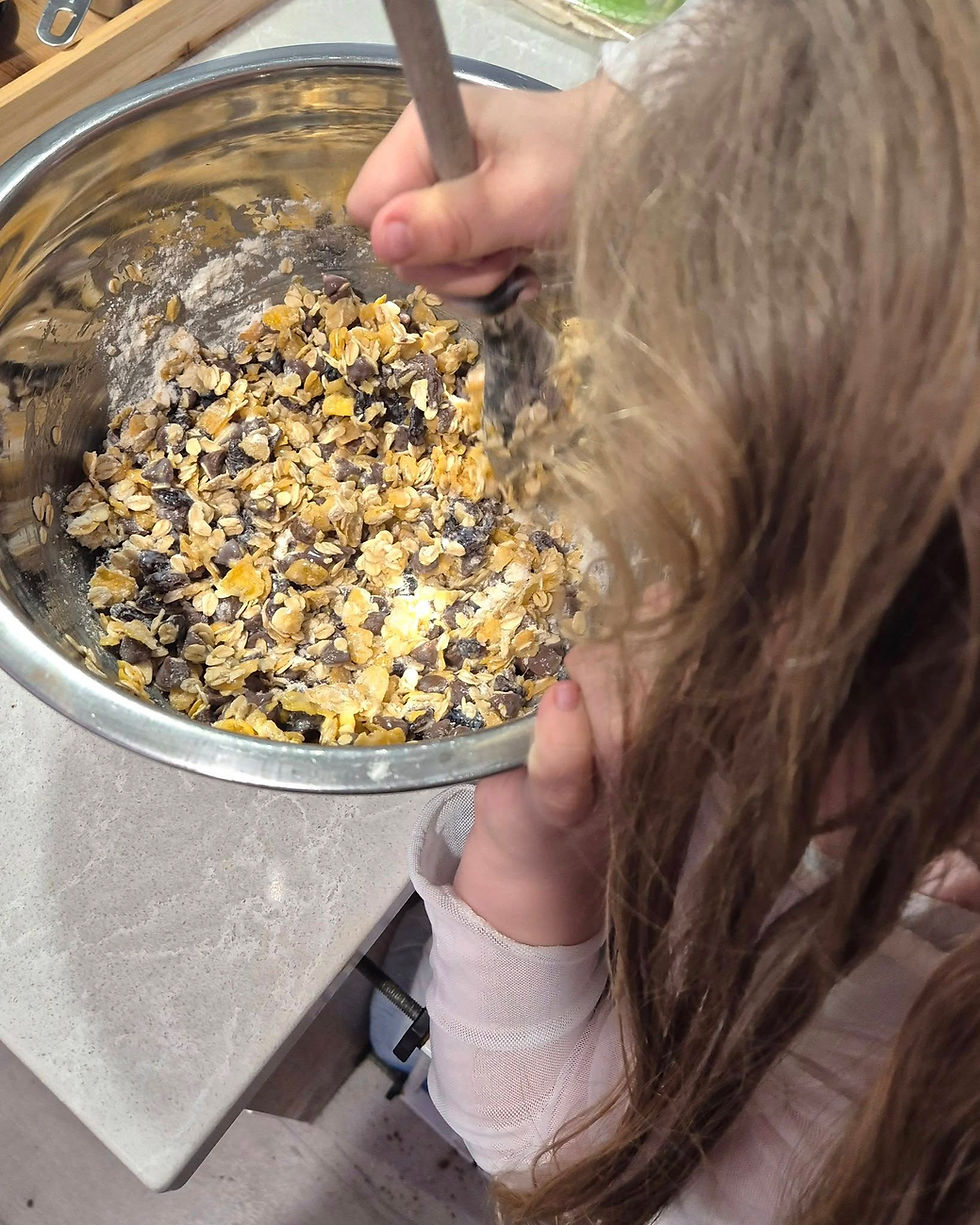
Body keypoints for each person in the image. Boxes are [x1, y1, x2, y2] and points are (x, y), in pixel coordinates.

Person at [348, 1, 980, 1222]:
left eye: (700, 579)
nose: (618, 599)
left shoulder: (858, 1128)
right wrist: (630, 128)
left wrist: (544, 873)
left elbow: (547, 1151)